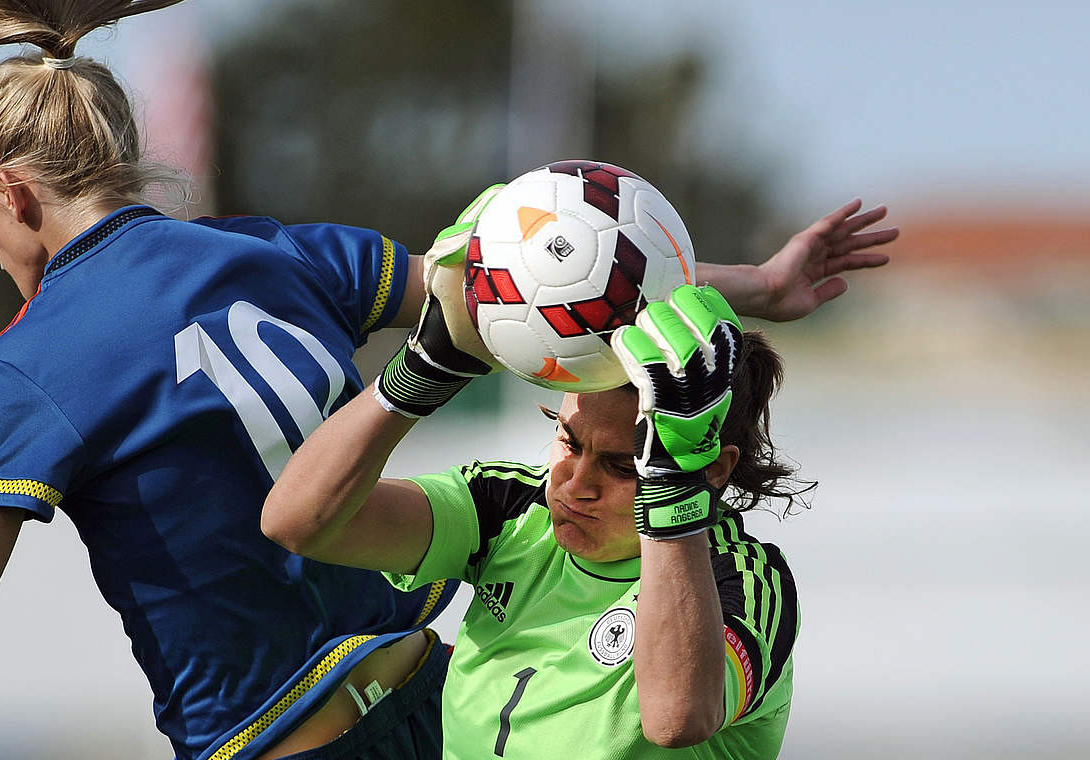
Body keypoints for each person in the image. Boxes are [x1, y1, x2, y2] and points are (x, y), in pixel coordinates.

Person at [0, 2, 895, 758]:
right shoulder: (282, 256)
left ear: (16, 194)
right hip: (432, 696)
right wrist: (750, 282)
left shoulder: (27, 366)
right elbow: (532, 286)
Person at [261, 240, 814, 755]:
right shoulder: (511, 507)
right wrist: (425, 369)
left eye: (626, 466)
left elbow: (675, 718)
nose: (575, 484)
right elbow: (298, 521)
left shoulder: (740, 582)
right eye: (569, 442)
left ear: (710, 470)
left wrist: (671, 491)